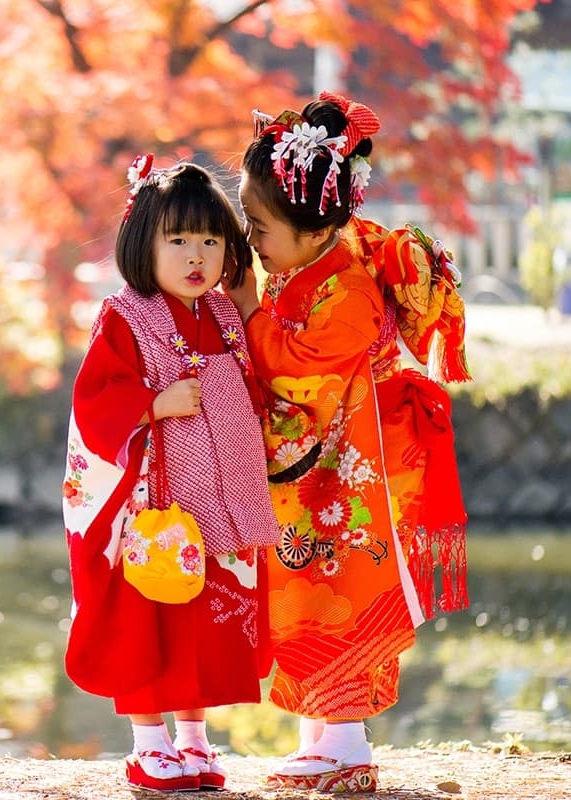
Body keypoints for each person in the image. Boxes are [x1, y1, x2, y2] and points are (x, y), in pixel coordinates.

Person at [225, 92, 471, 793]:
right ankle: (324, 739)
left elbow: (297, 369)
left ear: (313, 230)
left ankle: (345, 744)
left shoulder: (349, 290)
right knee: (309, 590)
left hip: (359, 462)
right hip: (338, 453)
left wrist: (250, 312)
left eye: (259, 226)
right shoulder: (324, 254)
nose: (249, 239)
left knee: (341, 589)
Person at [62, 156, 281, 792]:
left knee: (204, 623)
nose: (196, 256)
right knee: (149, 617)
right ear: (144, 243)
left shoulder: (224, 315)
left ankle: (193, 739)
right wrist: (154, 403)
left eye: (211, 240)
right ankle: (148, 743)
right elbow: (95, 400)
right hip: (155, 509)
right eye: (178, 239)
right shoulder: (126, 315)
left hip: (222, 501)